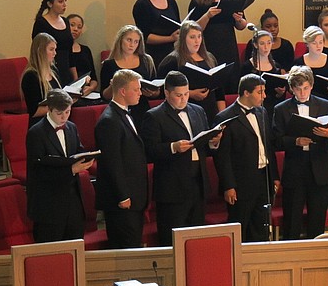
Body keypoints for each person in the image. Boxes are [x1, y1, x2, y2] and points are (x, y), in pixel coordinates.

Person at [141, 71, 217, 247]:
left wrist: (213, 142)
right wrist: (172, 147)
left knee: (196, 239)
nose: (183, 99)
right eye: (178, 95)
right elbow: (149, 150)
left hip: (198, 183)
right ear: (167, 93)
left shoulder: (198, 111)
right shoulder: (154, 116)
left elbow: (204, 145)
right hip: (172, 188)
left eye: (186, 94)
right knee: (172, 240)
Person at [272, 66, 328, 239]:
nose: (302, 93)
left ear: (312, 86)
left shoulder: (324, 105)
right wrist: (295, 141)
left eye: (306, 88)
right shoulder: (281, 109)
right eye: (298, 89)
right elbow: (276, 140)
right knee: (292, 222)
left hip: (319, 170)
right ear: (291, 88)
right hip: (295, 170)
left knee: (317, 222)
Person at [214, 74, 280, 242]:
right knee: (240, 227)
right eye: (260, 92)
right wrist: (229, 186)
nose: (264, 96)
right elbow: (222, 157)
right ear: (246, 93)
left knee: (261, 227)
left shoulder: (262, 112)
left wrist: (274, 176)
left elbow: (268, 146)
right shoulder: (225, 117)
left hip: (263, 177)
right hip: (241, 182)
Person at [25, 89, 94, 243]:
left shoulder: (71, 127)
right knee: (52, 250)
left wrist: (87, 157)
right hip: (49, 204)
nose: (64, 117)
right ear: (49, 110)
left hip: (72, 201)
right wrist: (71, 170)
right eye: (59, 113)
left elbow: (77, 150)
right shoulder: (36, 133)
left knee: (75, 246)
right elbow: (38, 171)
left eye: (68, 112)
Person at [94, 69, 149, 249]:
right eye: (136, 89)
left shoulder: (124, 114)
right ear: (123, 91)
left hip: (134, 197)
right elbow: (112, 163)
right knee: (126, 248)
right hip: (121, 201)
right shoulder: (109, 121)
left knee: (134, 245)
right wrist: (123, 195)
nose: (140, 93)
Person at [187, 0, 247, 92]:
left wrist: (239, 20)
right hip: (209, 45)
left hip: (228, 44)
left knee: (231, 81)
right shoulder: (198, 0)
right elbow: (193, 28)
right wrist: (207, 16)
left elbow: (242, 25)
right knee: (213, 82)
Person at [157, 20, 226, 124]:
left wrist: (221, 116)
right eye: (192, 37)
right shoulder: (173, 60)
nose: (197, 41)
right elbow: (163, 90)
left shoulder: (209, 58)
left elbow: (219, 91)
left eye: (199, 36)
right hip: (185, 111)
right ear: (183, 38)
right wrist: (191, 94)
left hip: (210, 109)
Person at [99, 25, 158, 129]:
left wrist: (152, 93)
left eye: (136, 42)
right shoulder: (109, 64)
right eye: (129, 40)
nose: (132, 45)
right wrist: (113, 86)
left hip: (141, 107)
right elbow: (104, 96)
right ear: (121, 40)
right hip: (120, 110)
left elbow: (156, 90)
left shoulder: (146, 60)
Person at [132, 0, 180, 66]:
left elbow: (177, 25)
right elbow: (145, 36)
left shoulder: (171, 1)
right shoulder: (142, 4)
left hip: (172, 52)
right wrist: (170, 38)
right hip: (152, 53)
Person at [32, 0, 76, 83]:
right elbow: (38, 51)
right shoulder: (41, 23)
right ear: (50, 4)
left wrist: (75, 77)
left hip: (66, 70)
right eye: (60, 1)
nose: (64, 4)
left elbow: (70, 52)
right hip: (50, 71)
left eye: (65, 1)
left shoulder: (66, 21)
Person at [240, 29, 287, 119]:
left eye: (269, 43)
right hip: (254, 108)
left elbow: (280, 96)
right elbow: (242, 92)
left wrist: (280, 93)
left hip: (273, 107)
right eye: (262, 44)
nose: (266, 47)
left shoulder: (276, 66)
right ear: (255, 45)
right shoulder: (248, 66)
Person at [292, 25, 328, 107]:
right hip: (304, 102)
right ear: (307, 44)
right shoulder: (299, 62)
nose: (318, 46)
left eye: (321, 42)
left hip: (327, 103)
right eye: (314, 43)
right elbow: (292, 88)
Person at [20, 33, 61, 126]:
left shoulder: (54, 71)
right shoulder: (30, 76)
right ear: (40, 51)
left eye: (55, 49)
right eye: (51, 49)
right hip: (40, 124)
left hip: (56, 121)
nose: (55, 53)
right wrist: (59, 106)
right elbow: (34, 111)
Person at [66, 13, 99, 99]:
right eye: (72, 25)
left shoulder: (86, 50)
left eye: (79, 27)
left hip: (86, 92)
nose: (75, 29)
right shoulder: (60, 51)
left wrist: (91, 88)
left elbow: (94, 78)